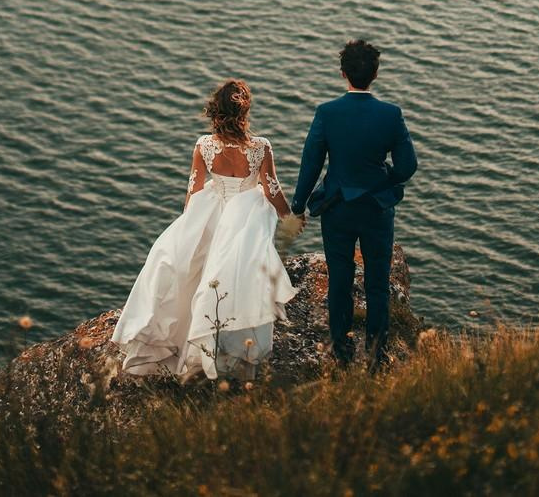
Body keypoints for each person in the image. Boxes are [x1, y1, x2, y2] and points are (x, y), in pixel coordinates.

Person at [111, 78, 298, 381]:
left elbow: (194, 189)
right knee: (237, 278)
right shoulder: (261, 148)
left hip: (212, 213)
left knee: (195, 275)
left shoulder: (204, 145)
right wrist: (289, 217)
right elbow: (271, 188)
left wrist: (189, 225)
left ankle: (188, 343)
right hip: (245, 220)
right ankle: (231, 347)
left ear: (216, 110)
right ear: (244, 112)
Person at [290, 39, 418, 370]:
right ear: (375, 73)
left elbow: (311, 163)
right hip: (377, 208)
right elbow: (407, 167)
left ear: (342, 73)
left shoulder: (327, 112)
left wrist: (298, 204)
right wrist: (385, 177)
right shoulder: (391, 114)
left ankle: (341, 350)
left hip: (337, 208)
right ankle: (376, 355)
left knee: (339, 278)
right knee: (377, 282)